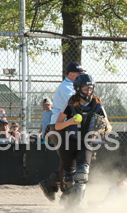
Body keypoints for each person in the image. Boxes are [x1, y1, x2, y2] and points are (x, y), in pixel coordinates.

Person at [54, 74, 112, 208]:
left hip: (86, 142)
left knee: (82, 175)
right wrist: (70, 121)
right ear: (78, 88)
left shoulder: (97, 104)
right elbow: (57, 125)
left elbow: (109, 126)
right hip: (69, 142)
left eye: (91, 88)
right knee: (68, 179)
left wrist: (103, 129)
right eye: (85, 88)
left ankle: (77, 206)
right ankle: (68, 201)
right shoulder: (70, 103)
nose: (89, 91)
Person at [39, 62, 86, 202]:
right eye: (79, 73)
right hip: (61, 127)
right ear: (70, 74)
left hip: (65, 126)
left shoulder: (72, 86)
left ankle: (52, 184)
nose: (81, 76)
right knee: (69, 162)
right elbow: (76, 105)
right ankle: (61, 191)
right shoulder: (67, 88)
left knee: (70, 161)